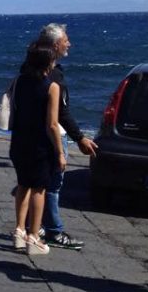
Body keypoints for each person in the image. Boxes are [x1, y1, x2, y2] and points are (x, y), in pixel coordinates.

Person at [36, 23, 97, 250]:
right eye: (66, 40)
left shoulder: (30, 70)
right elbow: (60, 114)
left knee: (38, 183)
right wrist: (79, 138)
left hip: (33, 135)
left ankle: (38, 224)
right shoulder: (54, 76)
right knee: (53, 184)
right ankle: (53, 230)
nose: (69, 43)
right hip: (53, 135)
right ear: (55, 44)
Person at [9, 43, 64, 255]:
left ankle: (19, 230)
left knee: (23, 185)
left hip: (19, 141)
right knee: (39, 189)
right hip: (40, 144)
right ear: (48, 63)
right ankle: (34, 235)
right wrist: (59, 152)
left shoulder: (19, 82)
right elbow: (52, 124)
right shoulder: (52, 87)